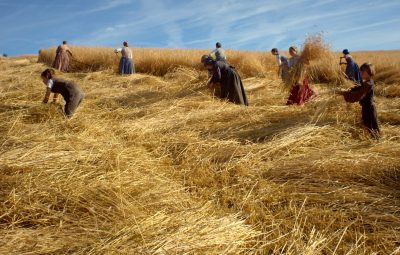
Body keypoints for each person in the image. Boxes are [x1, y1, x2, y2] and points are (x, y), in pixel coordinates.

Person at [337, 63, 379, 137]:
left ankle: (377, 140)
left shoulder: (368, 84)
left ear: (368, 73)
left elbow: (358, 95)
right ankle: (375, 139)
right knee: (369, 124)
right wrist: (348, 90)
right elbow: (359, 88)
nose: (361, 73)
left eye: (362, 72)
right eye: (361, 71)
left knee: (371, 125)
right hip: (368, 107)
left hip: (369, 108)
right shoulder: (368, 82)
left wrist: (344, 92)